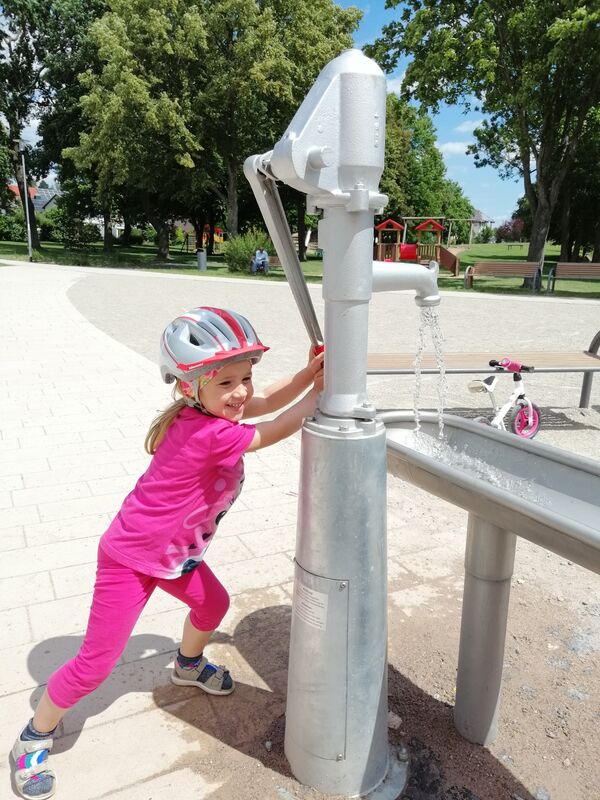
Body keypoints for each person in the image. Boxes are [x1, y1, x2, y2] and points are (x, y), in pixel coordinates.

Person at [11, 306, 324, 800]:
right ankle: (34, 735)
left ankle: (187, 664)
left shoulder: (203, 411)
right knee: (95, 664)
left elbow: (263, 402)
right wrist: (322, 393)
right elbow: (277, 425)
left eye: (245, 376)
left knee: (212, 604)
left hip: (175, 555)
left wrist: (307, 375)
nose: (241, 391)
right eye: (226, 383)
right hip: (130, 559)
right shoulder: (212, 434)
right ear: (189, 386)